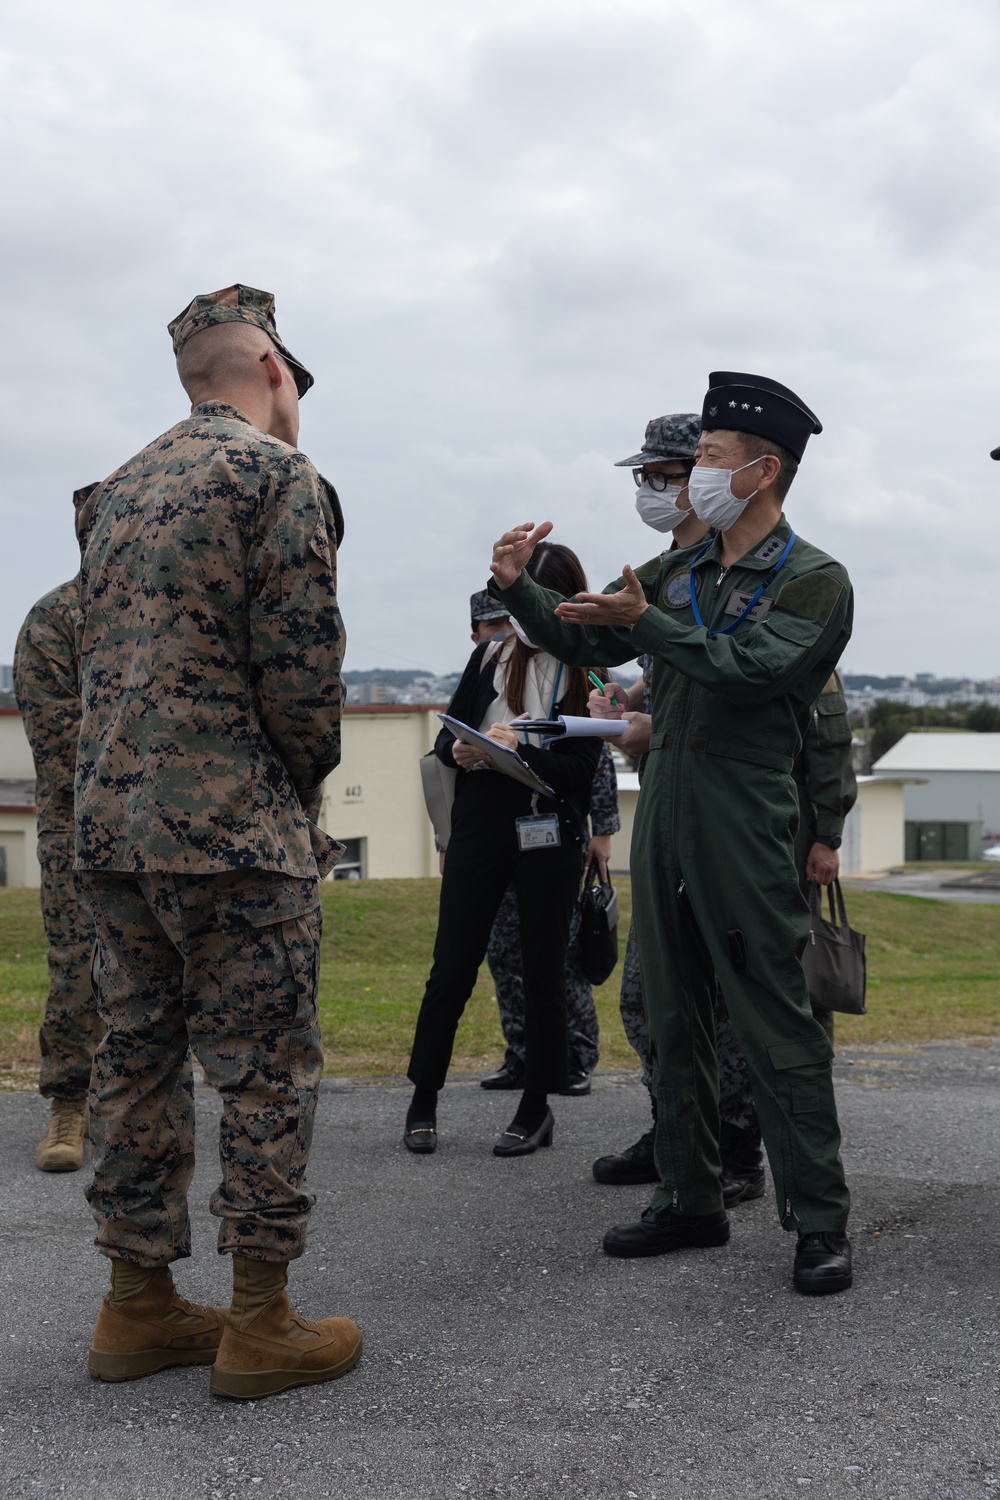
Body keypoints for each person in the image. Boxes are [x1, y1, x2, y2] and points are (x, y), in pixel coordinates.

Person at [488, 372, 855, 1296]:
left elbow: (748, 670)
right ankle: (689, 1198)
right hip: (670, 815)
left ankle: (818, 1221)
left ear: (763, 471)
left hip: (745, 818)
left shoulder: (814, 581)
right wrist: (523, 591)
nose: (693, 475)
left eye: (710, 460)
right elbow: (589, 641)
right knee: (674, 1016)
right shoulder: (684, 570)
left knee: (775, 1021)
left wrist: (647, 621)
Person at [75, 283, 361, 1398]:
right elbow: (302, 674)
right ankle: (258, 1322)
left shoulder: (117, 490)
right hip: (234, 829)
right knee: (263, 1074)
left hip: (114, 833)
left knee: (134, 1064)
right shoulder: (276, 475)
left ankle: (135, 1306)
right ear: (275, 374)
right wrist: (297, 788)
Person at [405, 544, 603, 1157]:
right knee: (452, 965)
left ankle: (536, 1106)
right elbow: (447, 739)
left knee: (545, 971)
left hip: (549, 826)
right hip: (483, 820)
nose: (522, 618)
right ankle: (423, 1098)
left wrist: (520, 750)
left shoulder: (589, 670)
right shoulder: (490, 655)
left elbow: (579, 772)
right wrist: (462, 751)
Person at [14, 488, 104, 1173]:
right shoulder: (53, 621)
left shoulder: (168, 614)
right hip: (79, 831)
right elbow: (61, 741)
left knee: (170, 979)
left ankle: (146, 1108)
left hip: (172, 830)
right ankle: (68, 1102)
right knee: (77, 970)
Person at [481, 741, 619, 1096]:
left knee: (562, 956)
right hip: (500, 835)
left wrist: (603, 831)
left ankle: (577, 1057)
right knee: (504, 954)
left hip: (560, 834)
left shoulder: (566, 691)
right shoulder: (497, 693)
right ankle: (523, 1056)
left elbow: (597, 754)